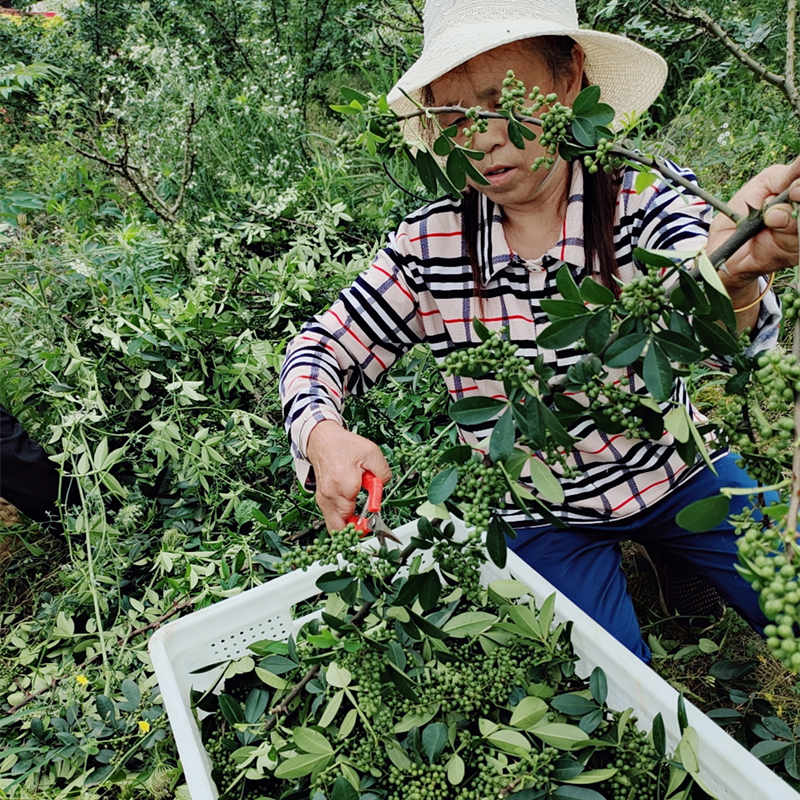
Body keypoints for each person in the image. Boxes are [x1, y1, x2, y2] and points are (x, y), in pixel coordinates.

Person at [279, 0, 800, 661]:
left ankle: (678, 563)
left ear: (569, 80)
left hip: (673, 467)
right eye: (453, 116)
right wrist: (324, 436)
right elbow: (319, 350)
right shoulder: (429, 245)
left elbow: (710, 303)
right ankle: (654, 575)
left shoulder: (639, 197)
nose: (482, 136)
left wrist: (736, 271)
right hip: (542, 514)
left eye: (504, 100)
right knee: (620, 702)